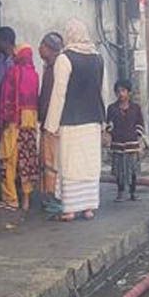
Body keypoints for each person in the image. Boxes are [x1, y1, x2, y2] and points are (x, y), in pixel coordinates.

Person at [44, 18, 106, 222]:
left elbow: (59, 93)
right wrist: (103, 120)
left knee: (69, 164)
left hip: (71, 121)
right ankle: (88, 208)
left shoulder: (65, 59)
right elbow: (102, 91)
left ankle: (70, 209)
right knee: (89, 164)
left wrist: (51, 125)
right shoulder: (98, 58)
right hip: (93, 121)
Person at [0, 45, 41, 211]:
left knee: (7, 158)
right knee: (26, 159)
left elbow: (5, 97)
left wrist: (1, 121)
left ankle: (11, 198)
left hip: (14, 121)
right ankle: (26, 199)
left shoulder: (14, 72)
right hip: (30, 123)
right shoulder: (35, 75)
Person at [38, 32, 65, 213]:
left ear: (49, 49)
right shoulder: (49, 67)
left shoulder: (57, 68)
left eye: (42, 46)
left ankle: (53, 196)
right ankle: (49, 194)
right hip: (48, 121)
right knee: (48, 160)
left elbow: (53, 98)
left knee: (51, 161)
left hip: (53, 122)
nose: (40, 49)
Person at [106, 79, 144, 201]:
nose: (120, 94)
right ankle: (120, 192)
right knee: (119, 170)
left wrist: (138, 138)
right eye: (118, 91)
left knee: (132, 169)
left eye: (123, 91)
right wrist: (109, 132)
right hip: (117, 143)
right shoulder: (112, 108)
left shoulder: (135, 108)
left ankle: (133, 192)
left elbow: (140, 124)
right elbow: (109, 124)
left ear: (129, 92)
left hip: (132, 143)